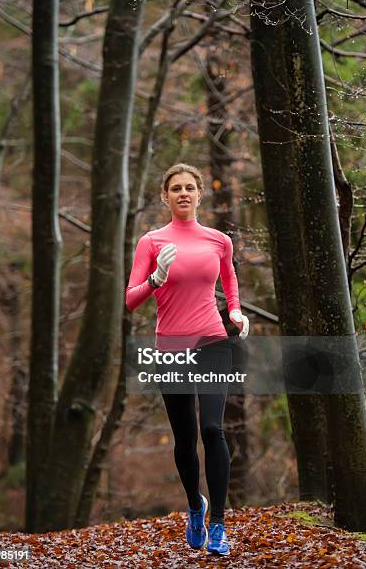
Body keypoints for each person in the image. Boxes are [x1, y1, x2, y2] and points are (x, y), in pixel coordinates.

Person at [125, 163, 249, 556]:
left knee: (213, 430)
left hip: (213, 343)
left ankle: (218, 527)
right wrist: (155, 281)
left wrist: (235, 313)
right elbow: (130, 300)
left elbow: (229, 279)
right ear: (165, 196)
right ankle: (196, 505)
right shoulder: (152, 242)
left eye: (190, 187)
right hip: (172, 348)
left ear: (199, 194)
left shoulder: (218, 240)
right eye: (175, 188)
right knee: (185, 439)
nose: (183, 193)